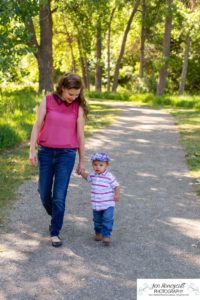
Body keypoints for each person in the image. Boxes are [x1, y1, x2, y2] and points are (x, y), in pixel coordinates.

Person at [29, 73, 88, 247]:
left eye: (77, 94)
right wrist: (31, 149)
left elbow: (80, 135)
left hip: (66, 154)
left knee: (59, 196)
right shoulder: (47, 101)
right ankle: (56, 215)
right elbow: (37, 125)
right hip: (46, 153)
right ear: (62, 88)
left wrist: (82, 161)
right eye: (71, 94)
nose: (73, 98)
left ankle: (55, 231)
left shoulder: (78, 107)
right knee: (44, 192)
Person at [80, 152, 120, 246]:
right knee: (97, 220)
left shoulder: (109, 176)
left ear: (106, 165)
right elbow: (87, 177)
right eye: (95, 165)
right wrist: (82, 173)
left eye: (101, 165)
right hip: (96, 204)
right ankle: (98, 233)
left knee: (107, 219)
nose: (97, 167)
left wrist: (117, 195)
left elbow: (116, 186)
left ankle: (107, 235)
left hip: (108, 204)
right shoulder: (93, 175)